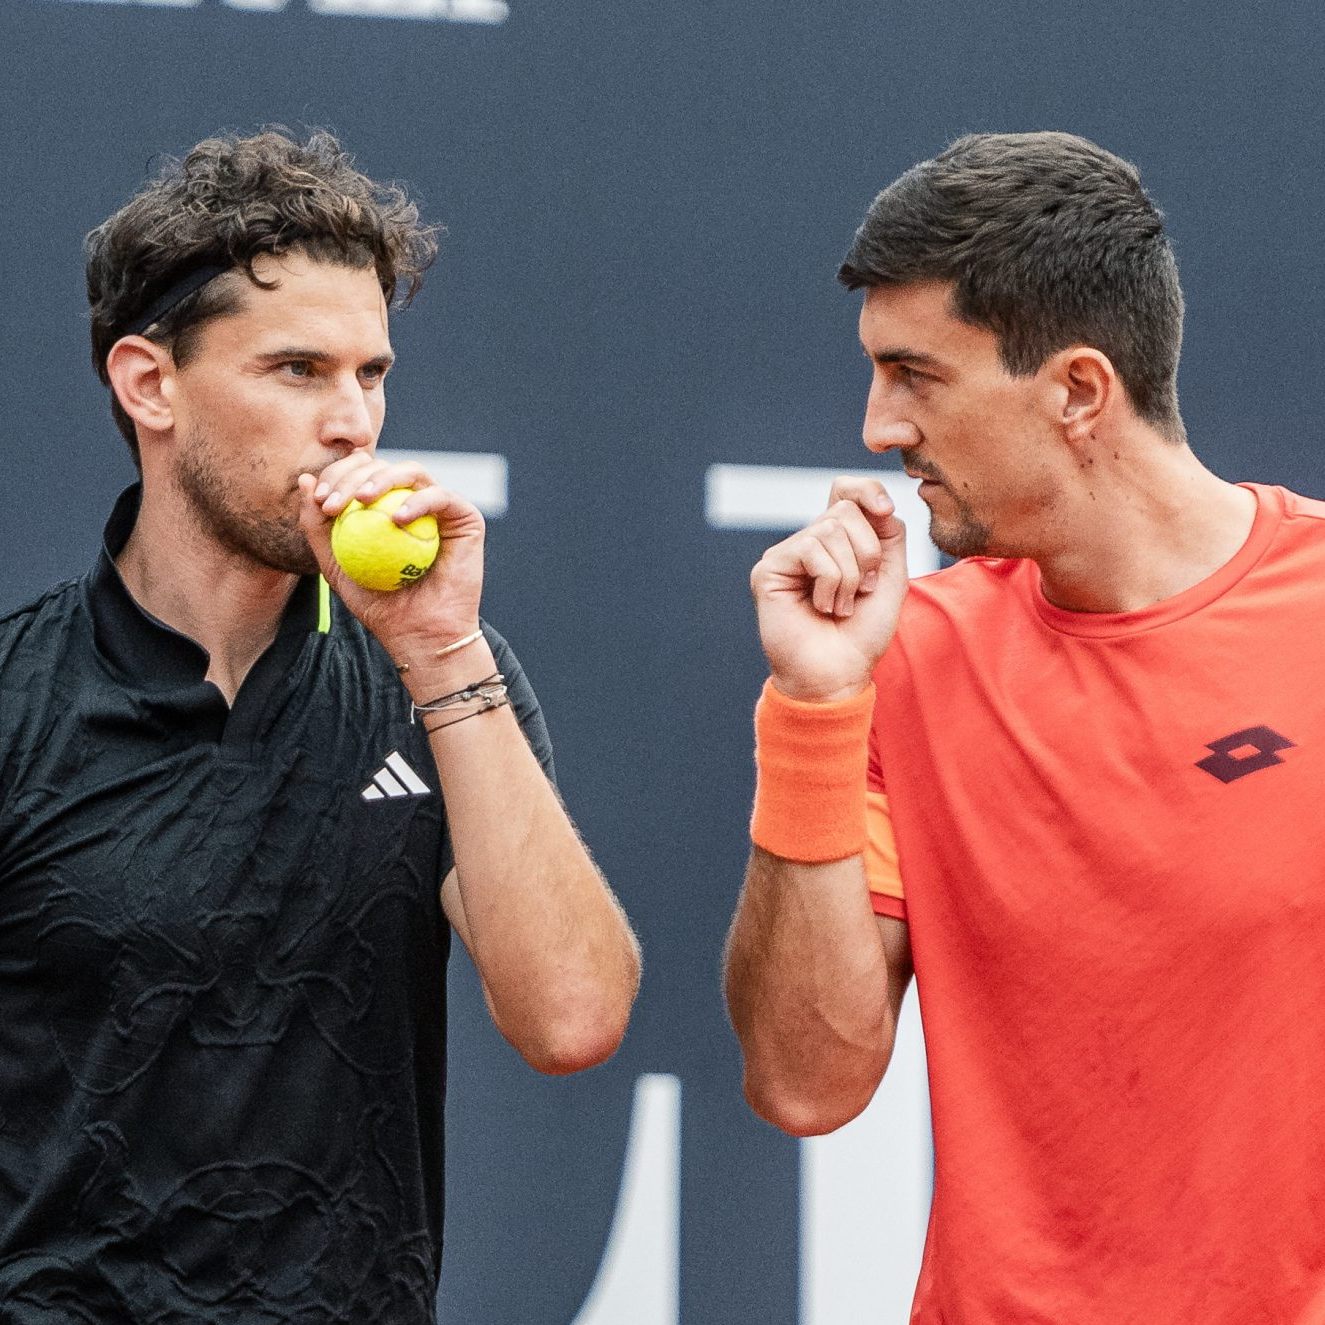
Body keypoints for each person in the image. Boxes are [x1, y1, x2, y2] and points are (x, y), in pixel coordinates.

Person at [0, 129, 640, 1320]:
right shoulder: (17, 698)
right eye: (297, 370)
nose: (353, 421)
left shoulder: (445, 672)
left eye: (371, 373)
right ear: (151, 385)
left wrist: (442, 655)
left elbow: (571, 1015)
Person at [724, 131, 1325, 1323]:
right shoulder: (899, 662)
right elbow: (803, 1080)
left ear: (1076, 391)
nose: (876, 426)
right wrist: (811, 708)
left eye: (915, 374)